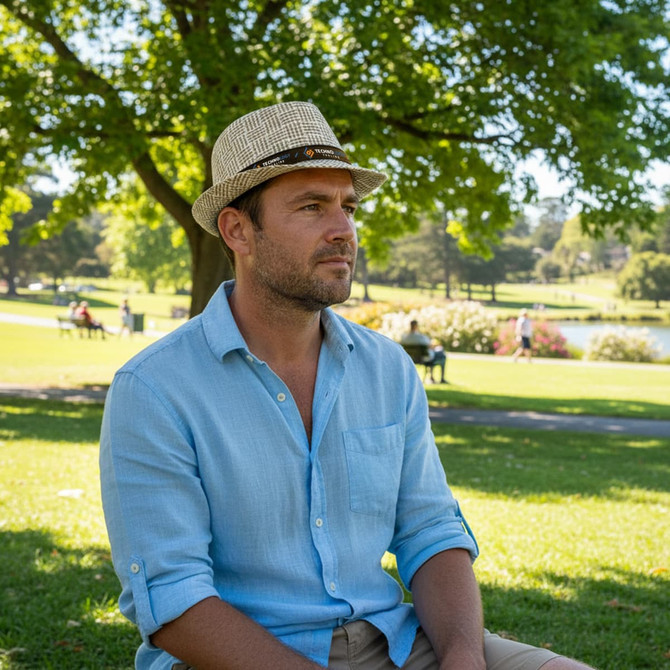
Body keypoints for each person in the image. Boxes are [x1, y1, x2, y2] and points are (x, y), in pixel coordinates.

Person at [100, 102, 596, 670]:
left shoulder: (387, 369)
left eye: (348, 206)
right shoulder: (154, 389)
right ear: (238, 230)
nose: (344, 230)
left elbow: (430, 531)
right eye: (312, 207)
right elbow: (173, 600)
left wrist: (463, 659)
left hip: (397, 644)